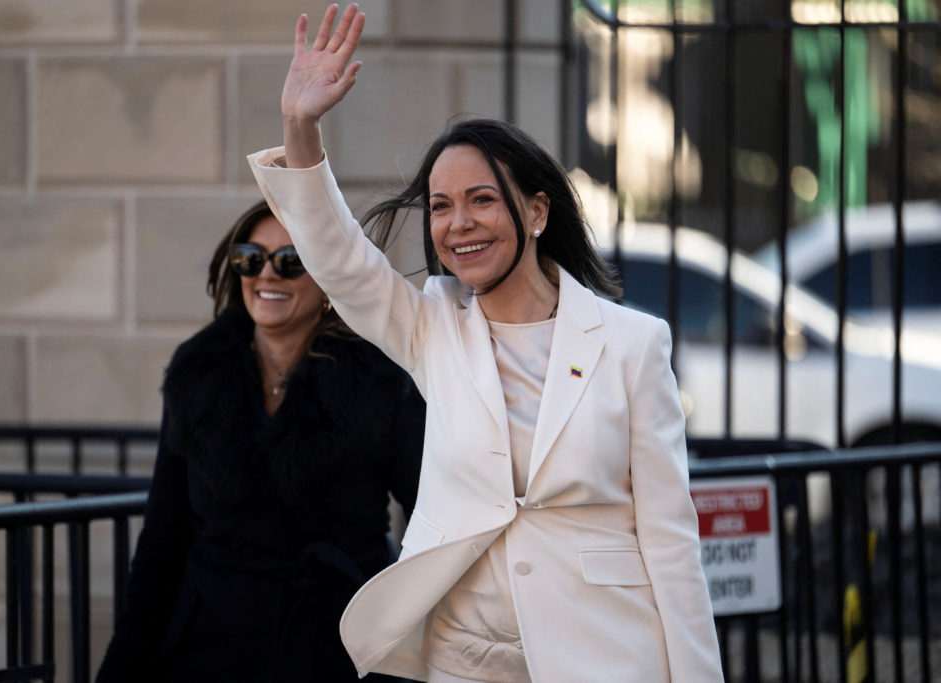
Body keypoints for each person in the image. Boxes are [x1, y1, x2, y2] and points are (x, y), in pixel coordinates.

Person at [247, 4, 724, 681]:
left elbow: (672, 541)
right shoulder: (432, 325)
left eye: (481, 200)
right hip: (463, 659)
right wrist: (301, 126)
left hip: (604, 656)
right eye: (440, 205)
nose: (458, 223)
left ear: (535, 210)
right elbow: (340, 260)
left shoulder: (634, 344)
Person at [94, 199, 425, 683]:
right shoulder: (198, 375)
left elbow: (432, 519)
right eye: (251, 258)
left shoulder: (379, 379)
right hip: (209, 648)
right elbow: (163, 541)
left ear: (328, 278)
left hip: (336, 649)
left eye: (291, 261)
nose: (267, 275)